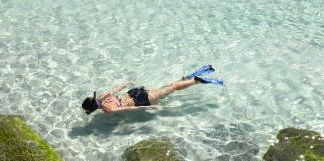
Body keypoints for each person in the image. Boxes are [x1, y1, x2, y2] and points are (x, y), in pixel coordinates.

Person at [81, 65, 223, 114]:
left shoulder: (108, 109)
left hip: (141, 100)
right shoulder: (102, 97)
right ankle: (192, 76)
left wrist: (148, 108)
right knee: (168, 87)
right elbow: (117, 88)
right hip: (135, 92)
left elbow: (128, 109)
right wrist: (129, 82)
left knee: (172, 88)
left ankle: (195, 81)